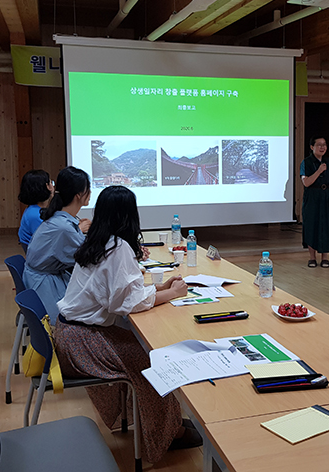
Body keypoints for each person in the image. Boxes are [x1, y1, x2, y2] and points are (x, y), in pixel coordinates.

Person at [54, 186, 198, 464]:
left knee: (142, 352)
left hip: (71, 334)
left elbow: (120, 295)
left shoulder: (100, 241)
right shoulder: (118, 247)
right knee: (149, 362)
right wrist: (171, 294)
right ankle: (168, 432)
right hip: (82, 340)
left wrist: (160, 289)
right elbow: (124, 305)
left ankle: (166, 423)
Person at [23, 166, 92, 322]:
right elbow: (87, 258)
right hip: (46, 287)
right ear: (79, 195)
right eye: (89, 189)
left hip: (46, 278)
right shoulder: (63, 227)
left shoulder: (62, 219)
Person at [300, 136, 329, 268]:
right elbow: (306, 182)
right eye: (319, 144)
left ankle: (325, 258)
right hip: (312, 196)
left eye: (324, 144)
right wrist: (319, 171)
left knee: (326, 225)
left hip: (326, 197)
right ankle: (312, 258)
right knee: (311, 224)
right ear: (311, 147)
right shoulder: (306, 162)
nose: (322, 147)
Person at [17, 169, 54, 251]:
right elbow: (50, 241)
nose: (53, 186)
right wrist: (78, 229)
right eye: (51, 183)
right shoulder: (35, 215)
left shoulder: (36, 210)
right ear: (47, 187)